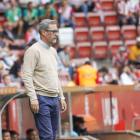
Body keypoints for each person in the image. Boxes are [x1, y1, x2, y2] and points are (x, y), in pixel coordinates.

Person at [22, 19, 67, 140]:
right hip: (41, 99)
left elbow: (54, 75)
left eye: (56, 31)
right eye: (54, 31)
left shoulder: (53, 51)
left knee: (51, 136)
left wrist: (61, 97)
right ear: (44, 32)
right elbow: (26, 76)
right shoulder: (33, 51)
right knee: (47, 137)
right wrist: (33, 98)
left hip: (54, 99)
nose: (56, 34)